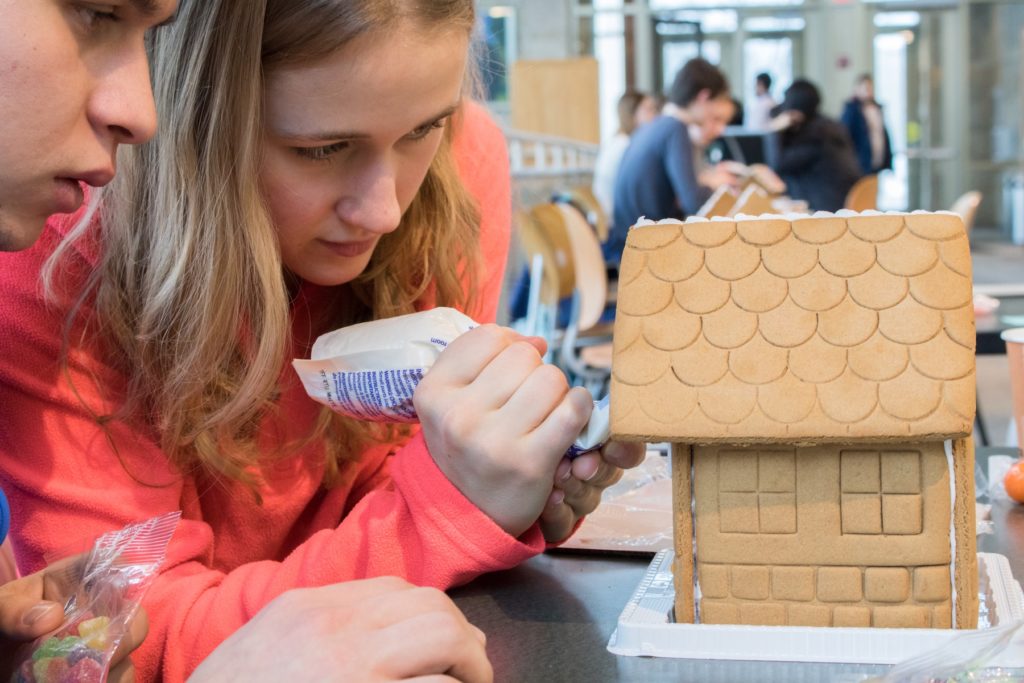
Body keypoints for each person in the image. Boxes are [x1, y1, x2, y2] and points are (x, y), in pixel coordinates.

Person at [0, 2, 645, 682]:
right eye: (321, 150)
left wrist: (499, 482)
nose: (385, 210)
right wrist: (452, 513)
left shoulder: (452, 177)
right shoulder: (48, 242)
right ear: (198, 116)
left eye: (424, 129)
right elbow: (122, 636)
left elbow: (390, 478)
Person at [606, 58, 739, 267]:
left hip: (628, 240)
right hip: (645, 251)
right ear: (703, 97)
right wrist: (715, 183)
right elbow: (693, 202)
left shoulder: (654, 125)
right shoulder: (676, 128)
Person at [767, 79, 863, 212]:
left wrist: (775, 131)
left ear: (794, 111)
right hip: (838, 204)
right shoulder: (829, 127)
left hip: (825, 212)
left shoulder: (815, 136)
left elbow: (778, 164)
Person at [591, 90, 660, 218]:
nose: (655, 115)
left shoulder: (619, 140)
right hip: (618, 221)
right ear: (632, 113)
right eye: (649, 109)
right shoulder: (624, 146)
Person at [841, 73, 894, 176]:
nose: (867, 91)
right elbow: (846, 136)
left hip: (877, 163)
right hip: (858, 165)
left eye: (870, 87)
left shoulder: (877, 109)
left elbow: (883, 136)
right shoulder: (851, 111)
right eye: (864, 87)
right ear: (857, 89)